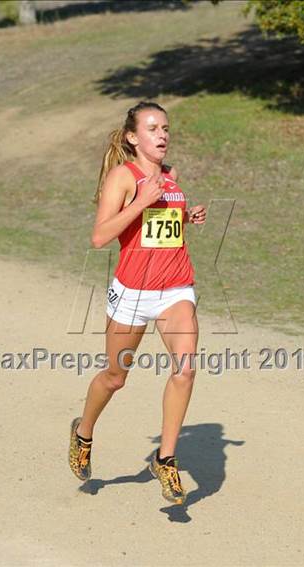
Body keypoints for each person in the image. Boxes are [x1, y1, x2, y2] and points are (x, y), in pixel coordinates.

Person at [69, 101, 206, 505]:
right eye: (152, 128)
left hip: (176, 288)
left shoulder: (171, 177)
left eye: (165, 128)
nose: (162, 135)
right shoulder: (122, 178)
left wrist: (187, 217)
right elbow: (99, 238)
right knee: (115, 377)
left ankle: (165, 459)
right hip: (133, 293)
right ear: (133, 137)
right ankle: (83, 431)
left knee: (185, 369)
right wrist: (141, 201)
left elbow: (161, 230)